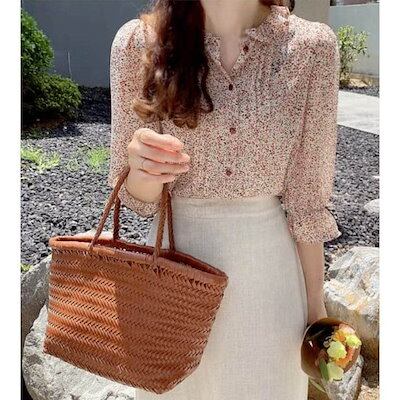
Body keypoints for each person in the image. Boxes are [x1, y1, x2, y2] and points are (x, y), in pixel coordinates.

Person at [107, 0, 342, 398]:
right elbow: (138, 198)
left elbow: (307, 200)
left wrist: (316, 310)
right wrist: (144, 170)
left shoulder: (312, 47)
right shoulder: (138, 42)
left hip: (268, 284)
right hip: (171, 275)